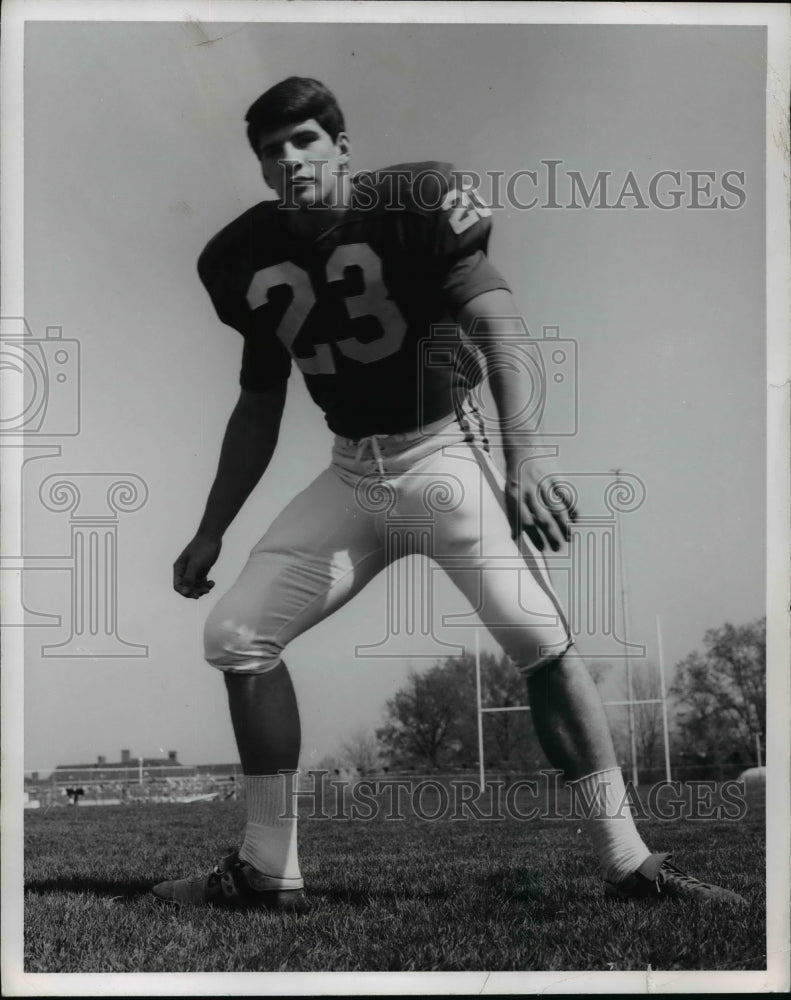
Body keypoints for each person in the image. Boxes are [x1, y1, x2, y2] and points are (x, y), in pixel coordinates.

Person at [154, 77, 745, 909]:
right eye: (270, 150)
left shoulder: (415, 202)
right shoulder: (240, 257)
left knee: (539, 638)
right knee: (236, 634)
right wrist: (211, 528)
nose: (288, 160)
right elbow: (258, 404)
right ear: (258, 166)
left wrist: (527, 455)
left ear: (340, 149)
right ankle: (266, 869)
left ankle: (630, 862)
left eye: (304, 142)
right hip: (353, 471)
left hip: (441, 456)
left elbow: (496, 318)